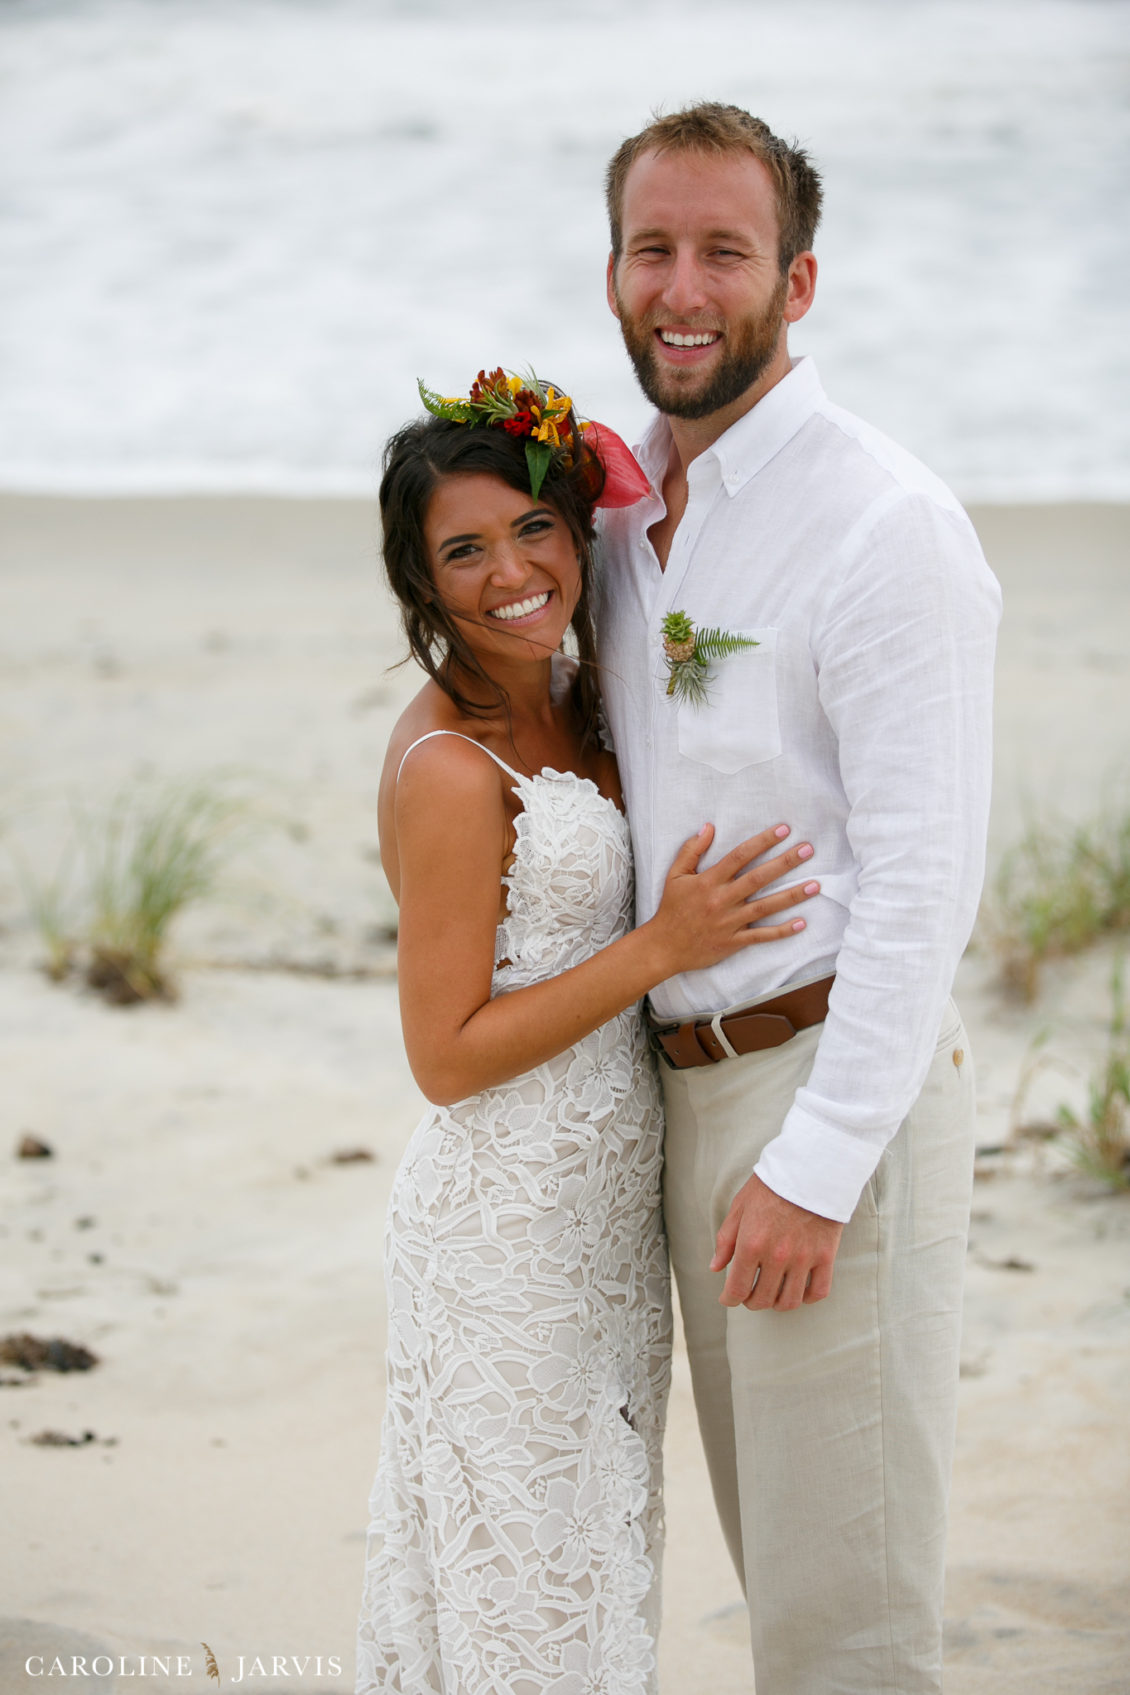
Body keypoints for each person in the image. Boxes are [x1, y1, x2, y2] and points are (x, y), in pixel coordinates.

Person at [597, 104, 1002, 1695]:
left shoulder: (884, 524)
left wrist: (821, 1166)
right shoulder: (627, 516)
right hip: (680, 1100)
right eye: (652, 249)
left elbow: (924, 883)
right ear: (615, 272)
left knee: (847, 1628)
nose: (682, 286)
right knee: (779, 1578)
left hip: (830, 1095)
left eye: (723, 251)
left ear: (798, 281)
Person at [354, 368, 821, 1695]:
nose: (509, 569)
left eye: (533, 528)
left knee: (593, 1559)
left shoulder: (583, 697)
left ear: (577, 529)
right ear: (420, 580)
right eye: (463, 549)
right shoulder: (452, 768)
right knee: (523, 1588)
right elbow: (443, 1056)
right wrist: (658, 950)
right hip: (504, 1231)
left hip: (607, 1218)